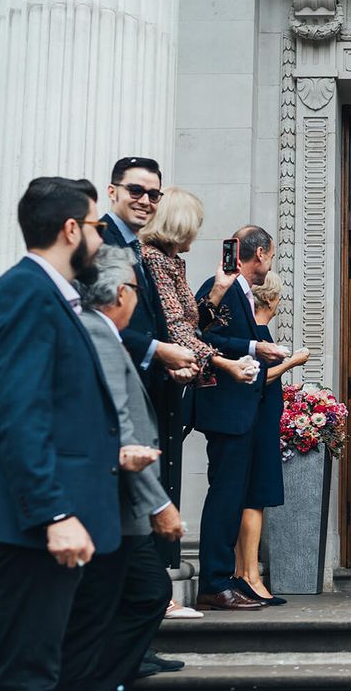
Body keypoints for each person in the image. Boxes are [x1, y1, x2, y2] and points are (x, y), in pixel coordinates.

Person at [0, 177, 121, 690]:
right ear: (71, 229)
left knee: (52, 666)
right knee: (28, 671)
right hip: (31, 525)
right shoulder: (25, 292)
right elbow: (19, 414)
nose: (101, 240)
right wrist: (54, 514)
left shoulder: (52, 295)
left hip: (54, 519)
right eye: (95, 226)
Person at [57, 245, 184, 689]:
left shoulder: (99, 332)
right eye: (133, 286)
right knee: (142, 594)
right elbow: (122, 428)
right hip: (115, 502)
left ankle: (111, 674)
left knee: (140, 594)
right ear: (118, 294)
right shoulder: (98, 335)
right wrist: (160, 504)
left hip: (120, 504)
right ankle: (103, 678)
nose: (137, 296)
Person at [101, 157, 196, 574]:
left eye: (153, 194)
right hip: (115, 398)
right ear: (113, 192)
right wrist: (160, 351)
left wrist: (166, 363)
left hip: (147, 389)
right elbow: (100, 322)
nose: (145, 200)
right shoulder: (103, 243)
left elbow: (153, 319)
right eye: (135, 191)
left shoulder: (137, 248)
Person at [194, 226, 289, 610]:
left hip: (245, 413)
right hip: (227, 412)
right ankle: (215, 582)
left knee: (236, 498)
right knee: (225, 498)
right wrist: (254, 346)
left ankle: (230, 578)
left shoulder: (245, 295)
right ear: (262, 254)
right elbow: (198, 334)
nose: (271, 260)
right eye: (271, 254)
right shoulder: (220, 288)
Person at [233, 272, 310, 603]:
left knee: (253, 498)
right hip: (258, 424)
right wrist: (293, 361)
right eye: (278, 297)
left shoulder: (259, 333)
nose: (280, 303)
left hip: (262, 422)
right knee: (255, 498)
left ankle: (245, 573)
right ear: (269, 299)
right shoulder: (258, 334)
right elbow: (257, 379)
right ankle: (248, 575)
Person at [138, 186, 258, 386]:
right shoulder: (155, 260)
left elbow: (190, 324)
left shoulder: (170, 261)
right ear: (182, 224)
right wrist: (225, 363)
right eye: (196, 223)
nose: (197, 231)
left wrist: (219, 288)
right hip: (158, 376)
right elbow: (175, 328)